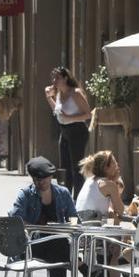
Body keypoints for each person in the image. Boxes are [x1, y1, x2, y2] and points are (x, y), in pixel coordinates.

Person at [8, 156, 77, 277]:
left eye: (45, 178)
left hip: (56, 246)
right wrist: (41, 228)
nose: (41, 182)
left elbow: (74, 219)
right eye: (37, 179)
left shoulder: (62, 193)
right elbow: (15, 218)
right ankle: (80, 265)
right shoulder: (25, 194)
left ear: (51, 177)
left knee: (58, 245)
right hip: (32, 246)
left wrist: (66, 226)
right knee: (58, 243)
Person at [75, 150, 126, 277]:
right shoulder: (108, 184)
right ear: (106, 167)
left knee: (113, 237)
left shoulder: (89, 180)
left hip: (80, 232)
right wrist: (116, 184)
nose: (117, 166)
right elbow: (121, 210)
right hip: (92, 233)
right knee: (117, 246)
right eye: (115, 164)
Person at [45, 67, 92, 198]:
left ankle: (78, 199)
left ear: (65, 78)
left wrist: (69, 118)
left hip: (77, 130)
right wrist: (49, 98)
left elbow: (88, 114)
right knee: (64, 168)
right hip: (64, 131)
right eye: (53, 78)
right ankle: (65, 198)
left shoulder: (75, 93)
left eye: (58, 77)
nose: (54, 81)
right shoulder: (59, 93)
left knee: (76, 168)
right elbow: (58, 111)